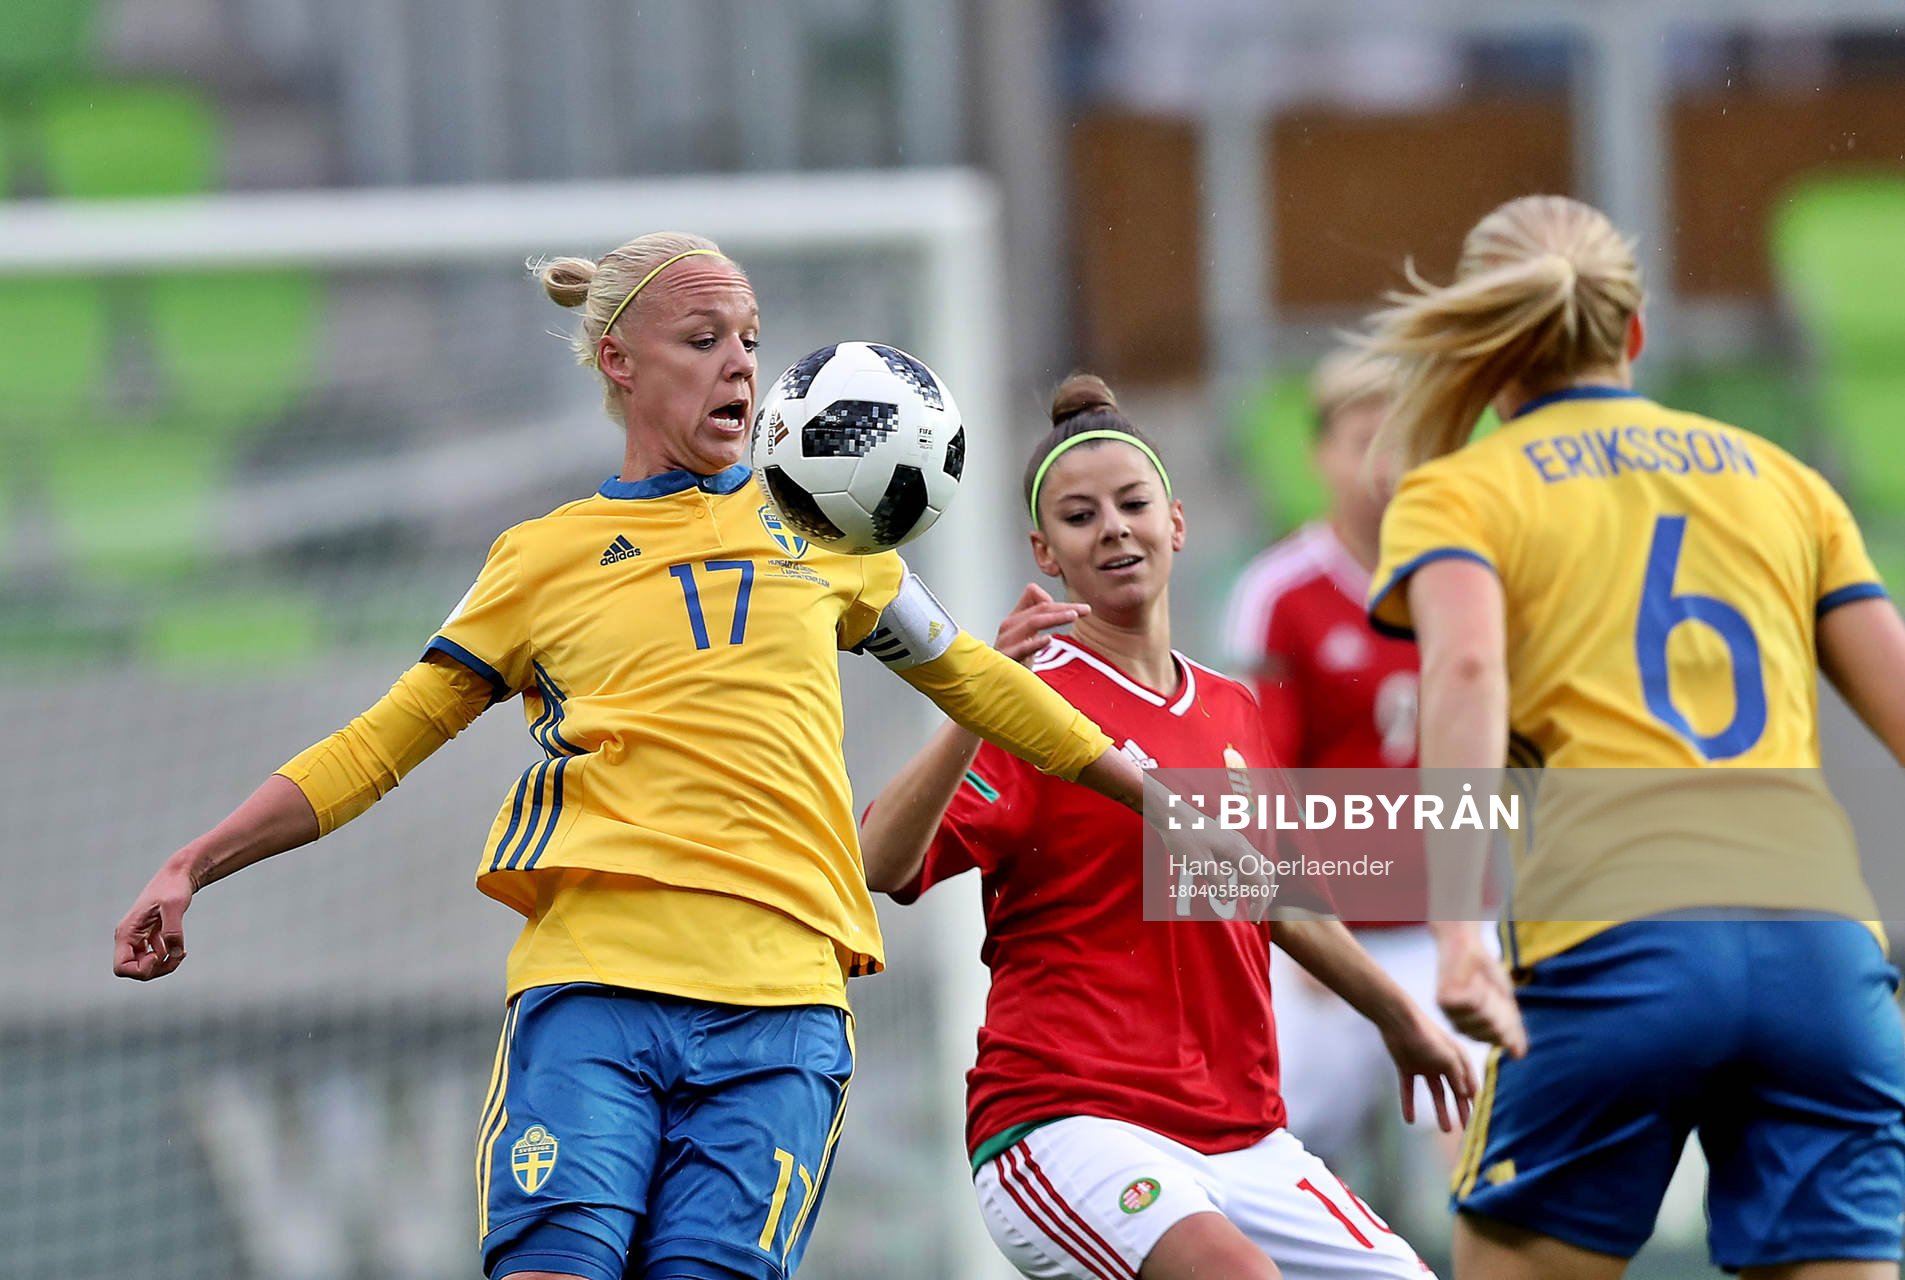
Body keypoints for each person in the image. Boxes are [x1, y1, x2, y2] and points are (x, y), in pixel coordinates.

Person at [110, 234, 1213, 1280]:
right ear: (617, 359)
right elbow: (384, 738)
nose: (741, 363)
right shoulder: (540, 557)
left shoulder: (830, 534)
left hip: (783, 1009)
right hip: (598, 988)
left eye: (751, 338)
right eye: (705, 338)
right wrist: (196, 861)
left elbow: (973, 676)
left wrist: (1148, 791)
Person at [1362, 194, 1905, 1280]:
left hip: (1616, 945)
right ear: (1636, 332)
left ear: (1488, 343)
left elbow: (1467, 667)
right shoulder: (1790, 482)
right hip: (1823, 951)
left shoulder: (1460, 493)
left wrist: (1459, 925)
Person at [860, 374, 1490, 1280]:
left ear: (1176, 522)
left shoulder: (1230, 709)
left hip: (1242, 1138)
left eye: (1131, 504)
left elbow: (1271, 894)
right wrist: (978, 702)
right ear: (1045, 551)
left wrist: (1401, 1017)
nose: (1112, 527)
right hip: (1069, 1122)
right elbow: (885, 863)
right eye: (1080, 517)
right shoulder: (1034, 705)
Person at [1224, 349, 1491, 1184]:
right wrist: (1297, 925)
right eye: (1365, 440)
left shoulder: (1468, 582)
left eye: (1405, 442)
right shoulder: (1281, 592)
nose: (1386, 466)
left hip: (1448, 930)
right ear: (1320, 454)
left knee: (1490, 1154)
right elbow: (1257, 776)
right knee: (1266, 1157)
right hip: (1326, 942)